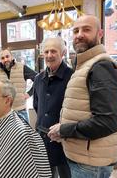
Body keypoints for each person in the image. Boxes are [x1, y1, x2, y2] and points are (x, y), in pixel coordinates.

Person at [48, 15, 117, 178]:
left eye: (86, 29)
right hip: (84, 158)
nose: (79, 34)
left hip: (90, 164)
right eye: (76, 30)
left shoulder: (101, 67)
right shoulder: (85, 66)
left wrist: (64, 130)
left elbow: (107, 122)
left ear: (100, 34)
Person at [33, 37, 72, 178]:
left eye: (53, 51)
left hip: (65, 139)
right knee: (45, 174)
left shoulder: (72, 77)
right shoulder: (38, 79)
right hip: (42, 138)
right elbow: (37, 105)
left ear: (63, 53)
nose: (49, 55)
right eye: (46, 51)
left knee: (66, 174)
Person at [0, 48, 37, 122]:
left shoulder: (22, 68)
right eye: (2, 58)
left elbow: (38, 79)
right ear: (0, 60)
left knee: (24, 133)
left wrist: (29, 93)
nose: (5, 59)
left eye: (7, 56)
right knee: (7, 134)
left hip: (20, 111)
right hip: (4, 113)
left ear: (11, 57)